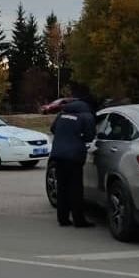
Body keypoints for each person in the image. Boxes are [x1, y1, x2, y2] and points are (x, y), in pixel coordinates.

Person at [50, 95, 96, 227]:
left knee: (62, 188)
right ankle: (79, 220)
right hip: (74, 157)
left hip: (58, 154)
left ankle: (63, 219)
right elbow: (89, 136)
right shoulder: (86, 116)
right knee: (75, 189)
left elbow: (52, 129)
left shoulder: (62, 114)